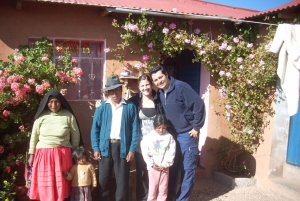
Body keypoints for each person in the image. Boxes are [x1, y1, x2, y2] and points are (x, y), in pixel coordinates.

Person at [149, 65, 206, 201]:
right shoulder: (161, 93)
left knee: (187, 170)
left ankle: (182, 199)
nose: (159, 81)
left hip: (187, 135)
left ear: (167, 75)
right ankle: (170, 197)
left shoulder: (181, 87)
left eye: (160, 77)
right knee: (172, 168)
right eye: (155, 80)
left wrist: (196, 127)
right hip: (173, 136)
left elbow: (199, 105)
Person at [91, 76, 140, 201]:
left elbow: (135, 130)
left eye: (117, 90)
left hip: (123, 148)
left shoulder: (130, 107)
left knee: (122, 182)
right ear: (107, 92)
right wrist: (96, 148)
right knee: (103, 180)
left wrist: (132, 150)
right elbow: (95, 129)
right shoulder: (102, 107)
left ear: (121, 89)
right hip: (105, 148)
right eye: (111, 91)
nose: (114, 94)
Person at [28, 89, 81, 201]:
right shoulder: (41, 117)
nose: (53, 105)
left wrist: (75, 153)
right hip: (43, 155)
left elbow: (75, 136)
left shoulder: (68, 116)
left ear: (61, 102)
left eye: (56, 101)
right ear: (46, 103)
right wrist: (31, 154)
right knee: (45, 184)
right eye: (51, 102)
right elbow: (34, 136)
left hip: (62, 155)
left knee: (60, 184)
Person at [128, 74, 164, 201]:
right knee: (142, 173)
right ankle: (142, 198)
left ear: (151, 84)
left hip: (157, 143)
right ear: (138, 87)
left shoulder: (159, 99)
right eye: (142, 85)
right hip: (141, 144)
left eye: (147, 84)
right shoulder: (134, 101)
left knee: (157, 173)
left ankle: (156, 197)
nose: (145, 88)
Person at [140, 114, 176, 201]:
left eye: (164, 128)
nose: (161, 130)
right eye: (159, 127)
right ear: (154, 126)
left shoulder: (169, 137)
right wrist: (151, 163)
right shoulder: (148, 137)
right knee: (153, 188)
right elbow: (145, 151)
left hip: (164, 168)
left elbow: (171, 151)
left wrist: (165, 164)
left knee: (163, 188)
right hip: (153, 168)